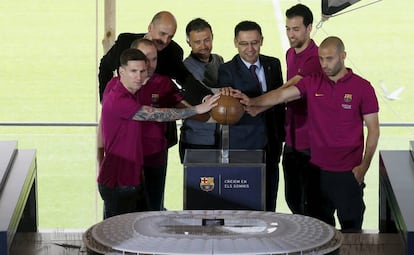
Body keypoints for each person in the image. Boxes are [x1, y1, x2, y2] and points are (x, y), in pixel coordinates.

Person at [235, 36, 380, 232]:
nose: (324, 64)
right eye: (321, 59)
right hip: (316, 173)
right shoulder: (312, 83)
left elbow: (373, 130)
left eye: (330, 59)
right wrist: (253, 102)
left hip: (349, 173)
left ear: (343, 56)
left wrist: (364, 167)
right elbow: (281, 95)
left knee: (352, 233)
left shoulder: (363, 88)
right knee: (319, 232)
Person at [98, 48, 219, 219]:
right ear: (121, 72)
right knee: (116, 237)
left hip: (132, 178)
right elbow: (157, 115)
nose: (138, 77)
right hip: (117, 182)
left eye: (142, 71)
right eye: (133, 71)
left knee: (138, 230)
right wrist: (197, 109)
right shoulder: (119, 99)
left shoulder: (129, 92)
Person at [217, 21, 285, 212]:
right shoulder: (226, 70)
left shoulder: (273, 64)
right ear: (235, 43)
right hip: (244, 145)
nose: (250, 49)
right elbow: (230, 106)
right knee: (245, 201)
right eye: (244, 44)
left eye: (254, 42)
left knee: (270, 197)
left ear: (261, 40)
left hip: (272, 142)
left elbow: (279, 100)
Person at [98, 11, 211, 105]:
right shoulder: (125, 42)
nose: (166, 41)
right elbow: (105, 66)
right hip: (127, 113)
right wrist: (104, 99)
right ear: (150, 28)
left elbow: (185, 78)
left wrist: (205, 96)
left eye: (170, 36)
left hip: (160, 118)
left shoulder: (173, 51)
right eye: (162, 34)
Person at [282, 4, 323, 216]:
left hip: (310, 145)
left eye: (296, 29)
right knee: (293, 199)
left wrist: (254, 102)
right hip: (291, 142)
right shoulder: (290, 53)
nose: (290, 34)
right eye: (288, 28)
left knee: (313, 207)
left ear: (309, 28)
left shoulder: (315, 58)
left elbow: (289, 88)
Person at [179, 18, 224, 162]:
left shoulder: (219, 60)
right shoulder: (184, 68)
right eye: (197, 42)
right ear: (188, 43)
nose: (203, 46)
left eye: (207, 40)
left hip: (220, 138)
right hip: (196, 140)